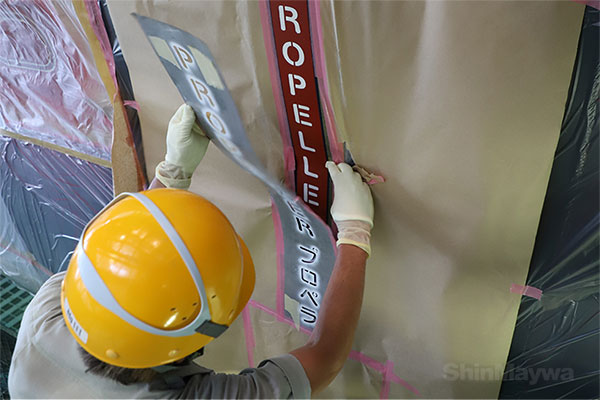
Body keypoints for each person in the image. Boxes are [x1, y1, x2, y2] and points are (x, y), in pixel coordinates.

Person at [8, 104, 374, 398]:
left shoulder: (49, 313)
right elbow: (322, 361)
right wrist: (355, 236)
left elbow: (124, 260)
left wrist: (170, 176)